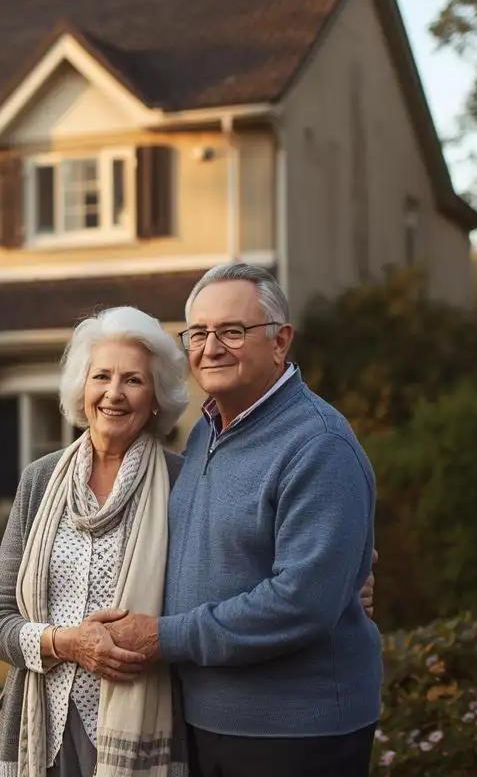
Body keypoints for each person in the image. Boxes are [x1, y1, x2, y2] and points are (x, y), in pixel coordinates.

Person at [102, 262, 384, 777]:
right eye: (199, 333)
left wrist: (164, 636)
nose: (211, 347)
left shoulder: (317, 443)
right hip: (208, 719)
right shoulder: (206, 431)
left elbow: (300, 602)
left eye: (232, 331)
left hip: (296, 732)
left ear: (281, 341)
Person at [0, 306, 192, 777]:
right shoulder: (39, 479)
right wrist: (67, 643)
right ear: (82, 387)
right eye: (102, 377)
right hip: (41, 728)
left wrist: (347, 581)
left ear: (156, 396)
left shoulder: (184, 483)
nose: (113, 393)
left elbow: (216, 588)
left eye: (133, 380)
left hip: (140, 729)